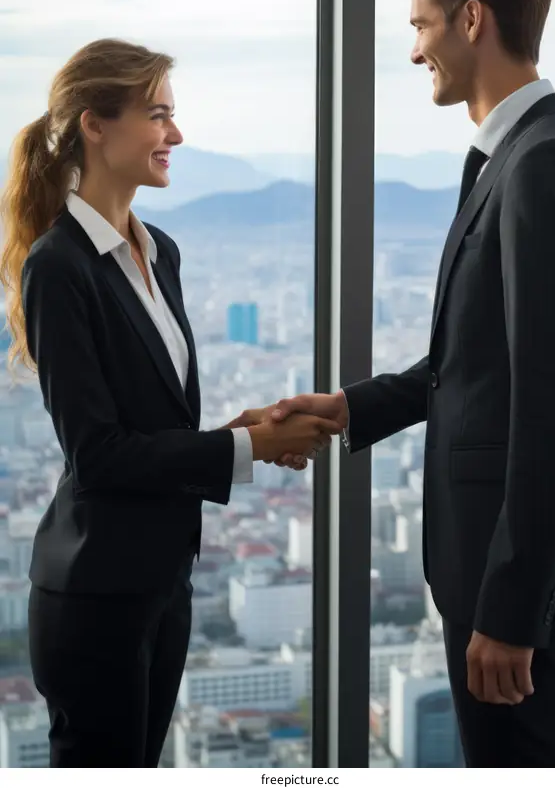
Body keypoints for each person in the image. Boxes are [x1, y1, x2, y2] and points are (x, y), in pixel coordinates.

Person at [266, 0, 555, 766]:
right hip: (490, 579)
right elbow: (480, 363)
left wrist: (514, 609)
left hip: (509, 591)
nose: (415, 50)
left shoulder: (546, 165)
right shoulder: (513, 158)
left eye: (420, 24)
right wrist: (351, 408)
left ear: (473, 20)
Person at [0, 38, 341, 767]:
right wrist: (250, 450)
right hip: (94, 592)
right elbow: (98, 454)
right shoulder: (58, 267)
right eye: (158, 116)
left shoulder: (162, 252)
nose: (176, 136)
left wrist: (242, 431)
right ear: (96, 124)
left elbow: (152, 431)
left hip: (164, 578)